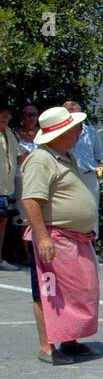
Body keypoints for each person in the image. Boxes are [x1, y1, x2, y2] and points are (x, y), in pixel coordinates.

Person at [20, 106, 102, 365]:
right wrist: (43, 237)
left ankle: (70, 340)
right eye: (74, 128)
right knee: (48, 291)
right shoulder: (41, 159)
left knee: (77, 291)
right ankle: (47, 346)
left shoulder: (63, 157)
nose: (79, 132)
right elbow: (32, 200)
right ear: (60, 132)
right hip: (54, 238)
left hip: (73, 238)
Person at [63, 101, 103, 240]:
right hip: (67, 177)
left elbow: (99, 156)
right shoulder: (60, 133)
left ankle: (92, 249)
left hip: (88, 177)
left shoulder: (91, 132)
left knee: (92, 212)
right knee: (69, 212)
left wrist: (88, 167)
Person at [0, 106, 21, 270]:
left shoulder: (11, 134)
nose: (4, 119)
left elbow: (18, 156)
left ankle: (0, 259)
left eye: (7, 116)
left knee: (3, 222)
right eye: (2, 115)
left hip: (7, 187)